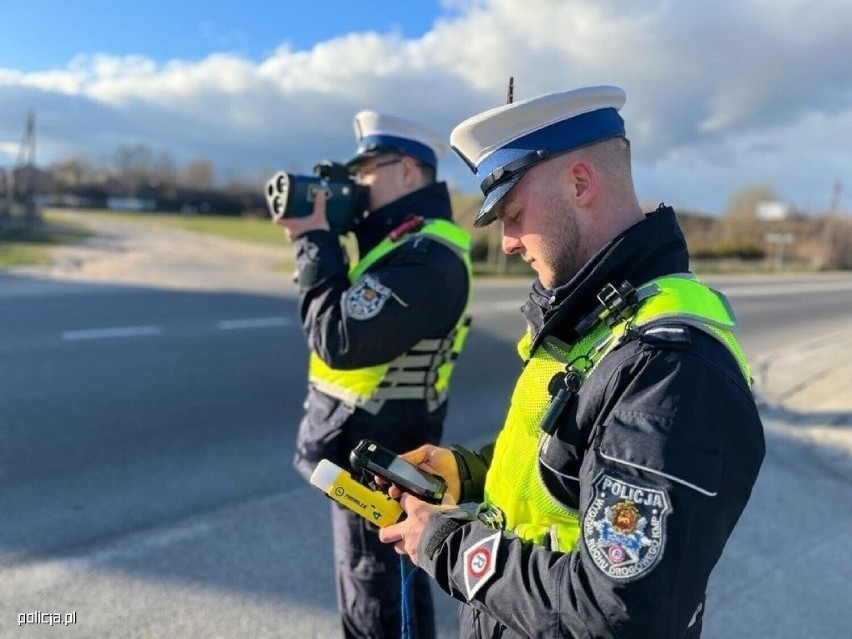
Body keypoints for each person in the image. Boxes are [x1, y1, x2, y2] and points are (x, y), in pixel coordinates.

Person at [378, 85, 766, 638]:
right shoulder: (599, 318)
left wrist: (444, 544)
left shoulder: (673, 370)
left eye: (512, 213)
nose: (508, 242)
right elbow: (573, 462)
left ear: (580, 183)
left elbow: (613, 614)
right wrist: (471, 475)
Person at [277, 110, 473, 639]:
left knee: (378, 600)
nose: (356, 183)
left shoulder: (427, 257)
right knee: (377, 590)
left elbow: (339, 339)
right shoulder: (396, 246)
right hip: (358, 458)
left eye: (366, 169)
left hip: (379, 469)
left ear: (408, 172)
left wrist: (314, 241)